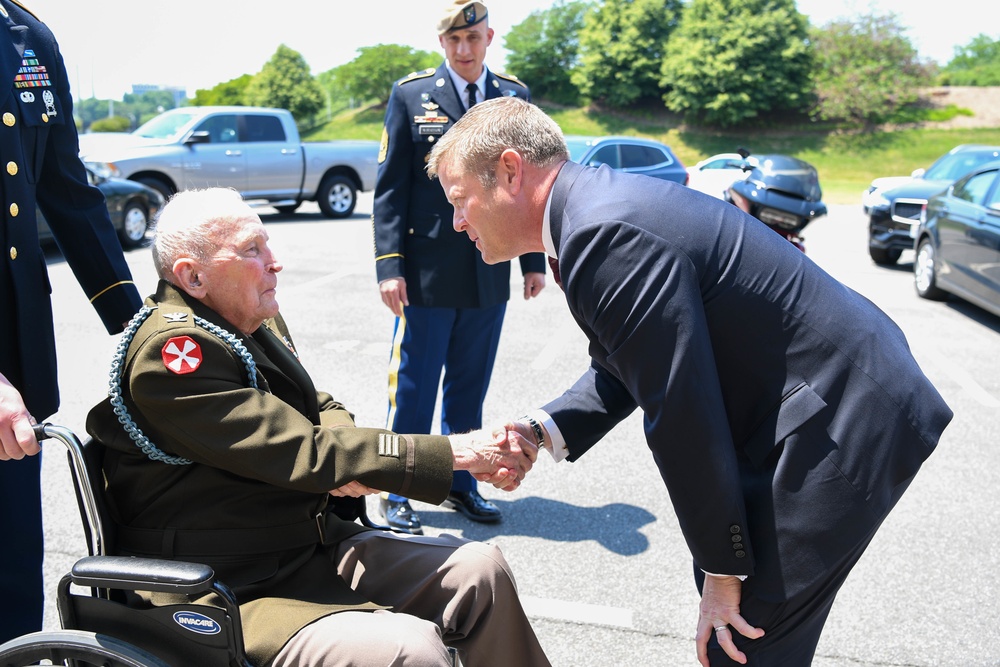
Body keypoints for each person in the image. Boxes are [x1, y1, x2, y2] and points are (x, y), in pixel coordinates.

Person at [425, 97, 954, 666]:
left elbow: (681, 413)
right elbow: (627, 364)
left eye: (460, 200)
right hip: (825, 400)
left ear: (510, 170)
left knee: (742, 639)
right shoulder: (594, 212)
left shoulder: (602, 234)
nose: (457, 222)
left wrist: (725, 570)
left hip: (842, 415)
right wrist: (540, 429)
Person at [84, 187, 550, 667]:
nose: (274, 261)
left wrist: (340, 454)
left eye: (266, 244)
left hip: (304, 542)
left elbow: (318, 406)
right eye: (251, 250)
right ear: (193, 276)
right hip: (229, 584)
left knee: (481, 571)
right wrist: (456, 453)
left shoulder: (243, 315)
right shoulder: (176, 355)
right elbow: (303, 451)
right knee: (412, 653)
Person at [371, 0, 546, 534]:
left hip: (488, 270)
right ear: (442, 43)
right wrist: (388, 266)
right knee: (415, 389)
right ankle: (400, 486)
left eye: (473, 40)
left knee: (470, 387)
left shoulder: (513, 97)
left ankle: (461, 483)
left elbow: (532, 184)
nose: (464, 51)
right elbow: (391, 189)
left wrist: (534, 259)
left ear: (489, 37)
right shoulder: (411, 96)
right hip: (424, 273)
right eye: (454, 42)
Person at [0, 0, 143, 645]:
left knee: (10, 567)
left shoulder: (26, 34)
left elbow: (64, 185)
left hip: (16, 351)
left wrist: (140, 327)